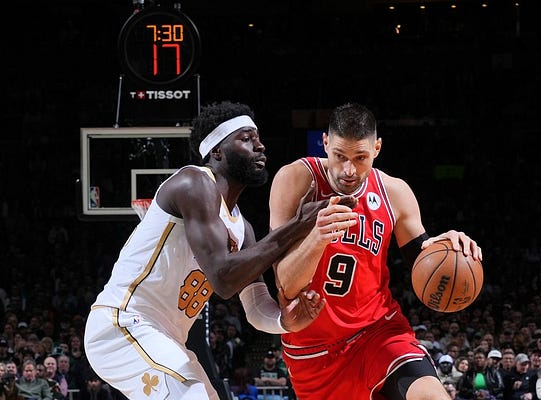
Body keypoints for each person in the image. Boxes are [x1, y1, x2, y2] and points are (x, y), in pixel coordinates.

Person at [84, 101, 357, 400]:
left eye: (258, 139)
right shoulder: (194, 182)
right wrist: (298, 224)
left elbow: (256, 307)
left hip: (166, 338)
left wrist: (284, 320)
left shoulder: (243, 228)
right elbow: (223, 279)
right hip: (122, 325)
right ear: (216, 151)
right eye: (246, 139)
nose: (260, 146)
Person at [268, 102, 482, 400]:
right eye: (340, 156)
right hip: (313, 349)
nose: (348, 170)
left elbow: (423, 260)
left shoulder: (394, 192)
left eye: (360, 158)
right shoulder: (297, 179)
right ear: (325, 143)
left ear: (377, 148)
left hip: (378, 331)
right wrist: (318, 238)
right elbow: (285, 283)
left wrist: (447, 247)